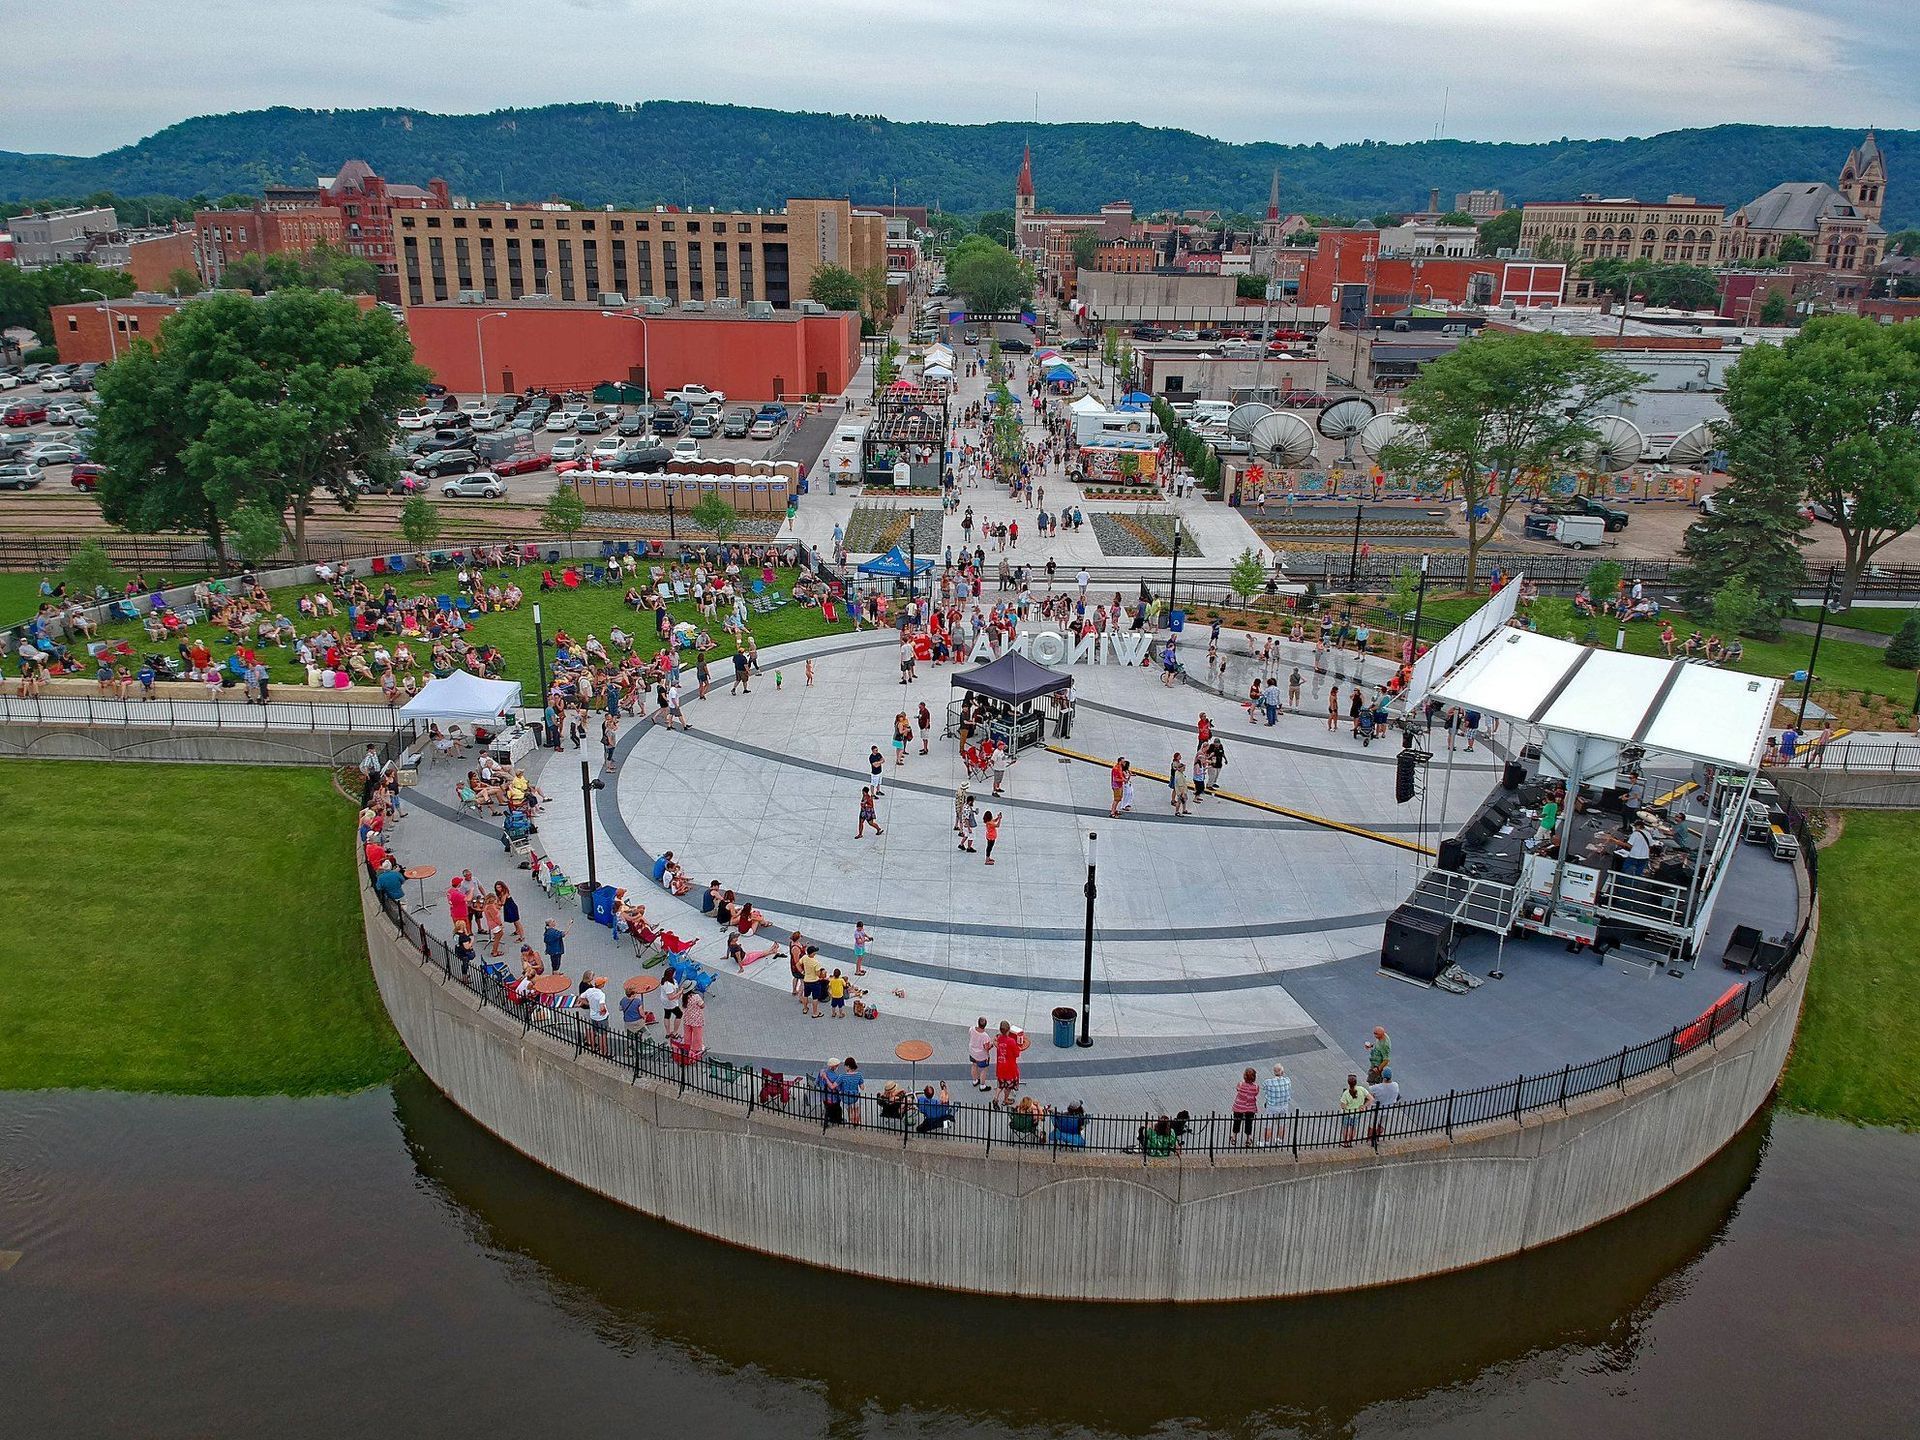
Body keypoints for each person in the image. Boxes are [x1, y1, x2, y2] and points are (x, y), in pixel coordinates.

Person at [1259, 1063, 1293, 1146]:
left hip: (1272, 1106)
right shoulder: (1287, 1080)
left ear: (1274, 1072)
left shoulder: (1268, 1082)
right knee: (1282, 1124)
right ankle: (1279, 1140)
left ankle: (1266, 1142)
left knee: (1268, 1124)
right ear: (1282, 1072)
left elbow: (1263, 1087)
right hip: (1284, 1105)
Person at [1368, 1067, 1400, 1145]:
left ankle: (1370, 1139)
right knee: (1382, 1125)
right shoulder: (1395, 1085)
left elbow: (1370, 1093)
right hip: (1388, 1109)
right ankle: (1377, 1138)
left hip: (1377, 1109)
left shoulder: (1377, 1087)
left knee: (1372, 1125)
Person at [993, 1020, 1023, 1104]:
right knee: (1008, 1086)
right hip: (1010, 1069)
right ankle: (1005, 1099)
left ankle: (995, 1098)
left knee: (1000, 1085)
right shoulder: (1011, 1041)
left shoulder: (999, 1039)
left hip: (1000, 1067)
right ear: (1009, 1029)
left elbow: (996, 1043)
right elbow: (1017, 1054)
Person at [1339, 1073, 1373, 1146]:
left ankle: (1345, 1142)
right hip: (1356, 1113)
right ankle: (1350, 1141)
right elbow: (1371, 1099)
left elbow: (1343, 1106)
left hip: (1347, 1113)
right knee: (1353, 1127)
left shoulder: (1346, 1093)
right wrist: (1363, 1106)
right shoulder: (1362, 1089)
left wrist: (1348, 1106)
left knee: (1345, 1128)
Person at [1230, 1066, 1260, 1147]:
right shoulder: (1256, 1087)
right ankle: (1248, 1138)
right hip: (1250, 1107)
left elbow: (1237, 1089)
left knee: (1237, 1121)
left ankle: (1234, 1136)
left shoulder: (1240, 1084)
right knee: (1249, 1123)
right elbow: (1256, 1093)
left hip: (1239, 1106)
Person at [968, 1017, 993, 1092]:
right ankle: (982, 1085)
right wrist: (991, 1045)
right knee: (984, 1070)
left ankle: (975, 1080)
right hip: (981, 1056)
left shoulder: (972, 1029)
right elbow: (986, 1048)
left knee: (974, 1065)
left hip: (972, 1052)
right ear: (985, 1025)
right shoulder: (985, 1036)